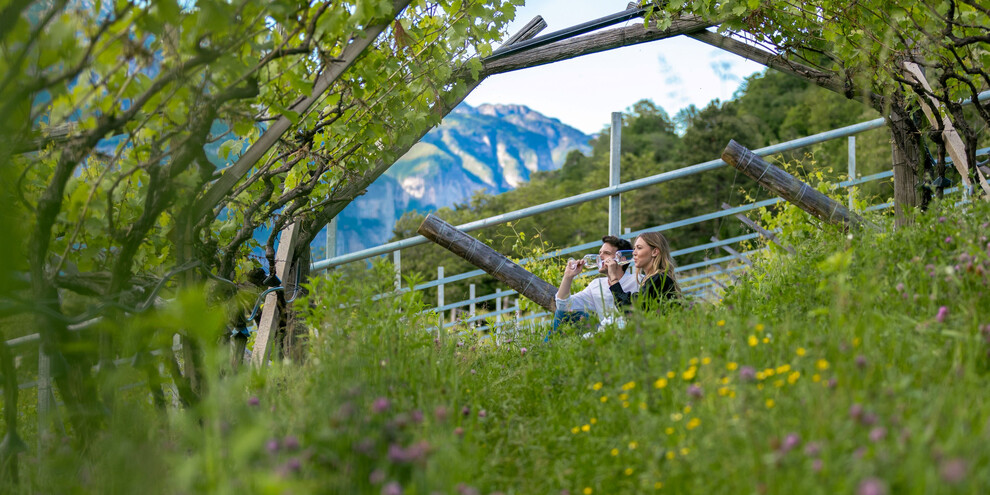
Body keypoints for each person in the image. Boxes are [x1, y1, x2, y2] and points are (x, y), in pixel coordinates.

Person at [547, 235, 640, 340]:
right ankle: (546, 349)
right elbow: (563, 306)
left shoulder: (637, 281)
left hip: (627, 334)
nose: (600, 257)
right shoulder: (597, 285)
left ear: (621, 259)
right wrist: (568, 276)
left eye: (607, 253)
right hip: (604, 330)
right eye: (600, 253)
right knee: (561, 313)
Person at [604, 231, 680, 311]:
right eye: (634, 249)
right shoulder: (652, 279)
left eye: (639, 248)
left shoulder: (658, 279)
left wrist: (613, 278)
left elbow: (629, 310)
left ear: (654, 252)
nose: (634, 253)